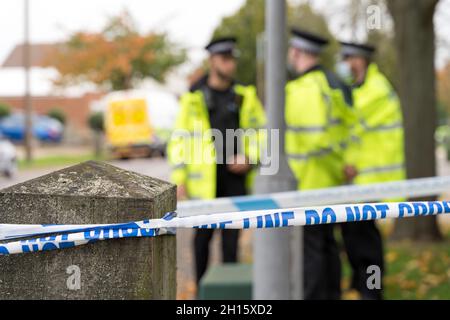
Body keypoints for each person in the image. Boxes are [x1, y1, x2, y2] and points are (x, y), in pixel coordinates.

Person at [167, 37, 266, 286]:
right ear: (212, 61)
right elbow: (179, 140)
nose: (230, 65)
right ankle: (200, 295)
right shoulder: (193, 99)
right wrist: (179, 179)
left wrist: (250, 158)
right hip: (205, 185)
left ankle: (229, 296)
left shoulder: (245, 96)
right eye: (225, 59)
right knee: (202, 241)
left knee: (232, 245)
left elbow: (261, 133)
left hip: (235, 180)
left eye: (232, 59)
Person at [285, 28, 355, 299]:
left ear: (298, 52)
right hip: (330, 181)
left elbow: (312, 141)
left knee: (312, 251)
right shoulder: (332, 82)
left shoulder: (303, 88)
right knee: (327, 246)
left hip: (308, 182)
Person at [337, 41, 406, 300]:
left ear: (362, 61)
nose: (345, 64)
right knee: (353, 237)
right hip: (356, 182)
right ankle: (360, 285)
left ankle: (373, 291)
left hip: (369, 180)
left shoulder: (375, 90)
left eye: (349, 58)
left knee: (366, 242)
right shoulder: (360, 88)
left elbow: (351, 124)